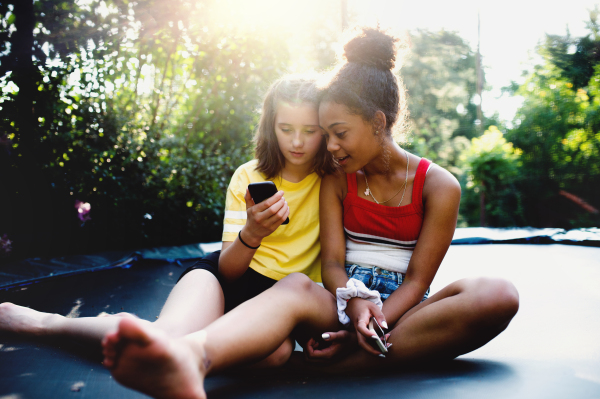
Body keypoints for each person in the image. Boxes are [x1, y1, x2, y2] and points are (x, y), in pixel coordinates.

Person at [99, 26, 519, 399]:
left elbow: (417, 282)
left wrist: (369, 327)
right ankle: (192, 357)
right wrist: (354, 308)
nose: (330, 147)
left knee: (497, 295)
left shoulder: (439, 186)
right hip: (340, 302)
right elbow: (333, 263)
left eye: (339, 134)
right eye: (328, 135)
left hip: (403, 313)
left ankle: (324, 363)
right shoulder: (338, 176)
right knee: (297, 286)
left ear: (377, 122)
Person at [0, 73, 336, 369]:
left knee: (276, 355)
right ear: (270, 126)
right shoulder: (248, 176)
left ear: (324, 130)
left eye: (309, 131)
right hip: (223, 280)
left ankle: (193, 339)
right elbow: (229, 271)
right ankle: (47, 323)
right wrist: (252, 232)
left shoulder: (333, 182)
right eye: (285, 128)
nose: (296, 141)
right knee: (165, 336)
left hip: (275, 301)